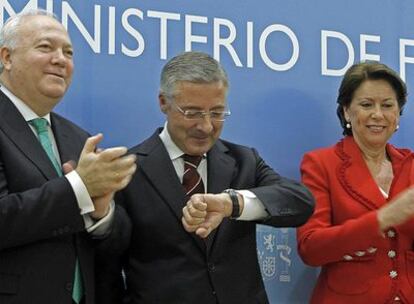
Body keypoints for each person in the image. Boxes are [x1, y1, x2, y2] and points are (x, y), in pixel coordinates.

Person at [95, 51, 314, 304]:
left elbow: (300, 203)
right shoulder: (127, 170)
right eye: (192, 113)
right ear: (163, 102)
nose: (206, 126)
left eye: (217, 113)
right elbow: (105, 269)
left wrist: (231, 204)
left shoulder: (243, 161)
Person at [0, 10, 137, 304]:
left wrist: (101, 214)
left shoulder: (79, 138)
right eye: (45, 47)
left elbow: (112, 248)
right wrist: (78, 189)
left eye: (68, 52)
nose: (61, 60)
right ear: (7, 57)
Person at [297, 61, 414, 303]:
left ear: (398, 113)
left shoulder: (411, 165)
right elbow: (311, 248)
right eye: (366, 104)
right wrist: (382, 219)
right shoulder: (321, 164)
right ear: (347, 111)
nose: (378, 114)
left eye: (388, 105)